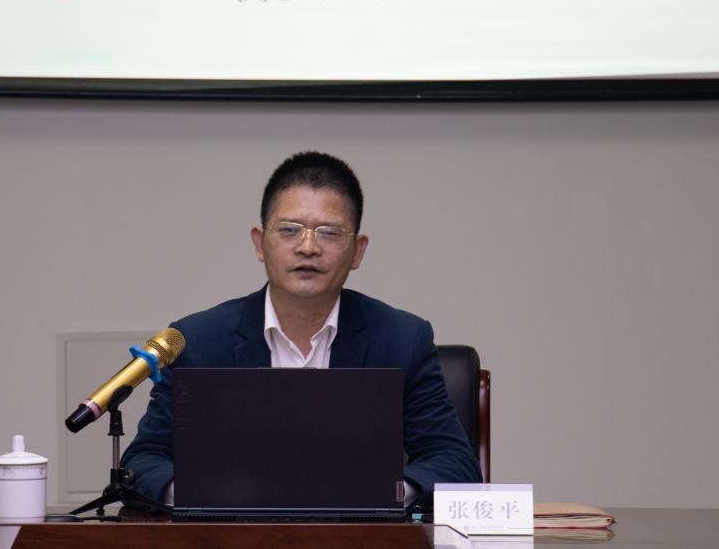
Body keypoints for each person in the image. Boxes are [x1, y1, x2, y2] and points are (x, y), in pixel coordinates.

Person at [121, 151, 481, 507]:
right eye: (289, 230)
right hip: (231, 539)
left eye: (329, 233)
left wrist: (389, 495)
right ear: (259, 243)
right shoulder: (198, 341)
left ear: (357, 252)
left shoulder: (401, 340)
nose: (308, 247)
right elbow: (143, 462)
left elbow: (454, 462)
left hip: (360, 538)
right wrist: (201, 495)